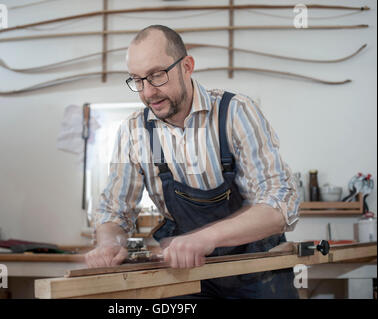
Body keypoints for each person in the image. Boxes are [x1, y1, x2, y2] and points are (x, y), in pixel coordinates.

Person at [85, 25, 300, 299]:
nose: (148, 92)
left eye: (156, 76)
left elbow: (281, 203)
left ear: (187, 66)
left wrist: (205, 238)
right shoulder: (135, 132)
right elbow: (114, 212)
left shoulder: (235, 113)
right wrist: (109, 243)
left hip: (257, 268)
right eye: (137, 80)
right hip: (186, 274)